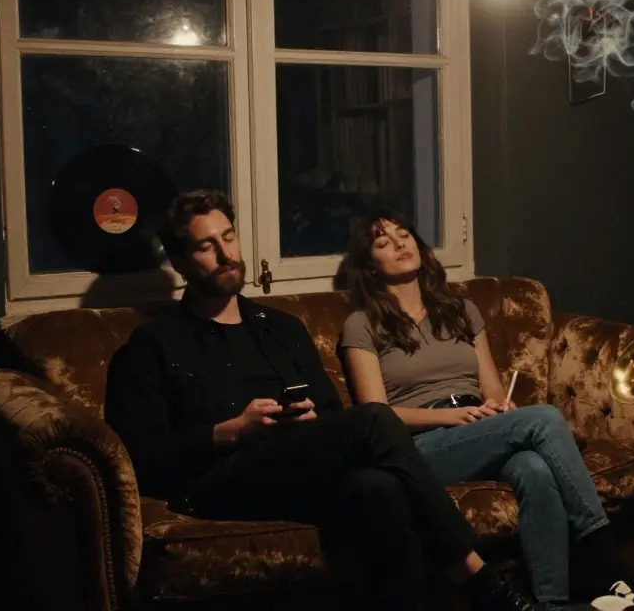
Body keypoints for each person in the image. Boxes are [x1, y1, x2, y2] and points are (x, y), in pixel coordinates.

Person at [103, 189, 543, 611]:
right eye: (206, 246)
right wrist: (229, 431)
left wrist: (309, 419)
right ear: (181, 262)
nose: (225, 254)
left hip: (295, 468)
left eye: (229, 237)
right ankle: (477, 577)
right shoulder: (153, 344)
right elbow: (141, 455)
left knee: (379, 487)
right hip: (219, 480)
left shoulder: (281, 328)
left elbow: (331, 414)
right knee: (374, 419)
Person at [337, 211, 634, 611]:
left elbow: (492, 389)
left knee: (534, 468)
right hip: (418, 447)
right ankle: (604, 557)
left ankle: (551, 602)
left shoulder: (461, 310)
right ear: (370, 265)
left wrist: (499, 408)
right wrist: (449, 417)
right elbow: (376, 417)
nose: (398, 243)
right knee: (545, 418)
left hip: (476, 427)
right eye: (383, 242)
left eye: (403, 234)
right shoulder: (362, 324)